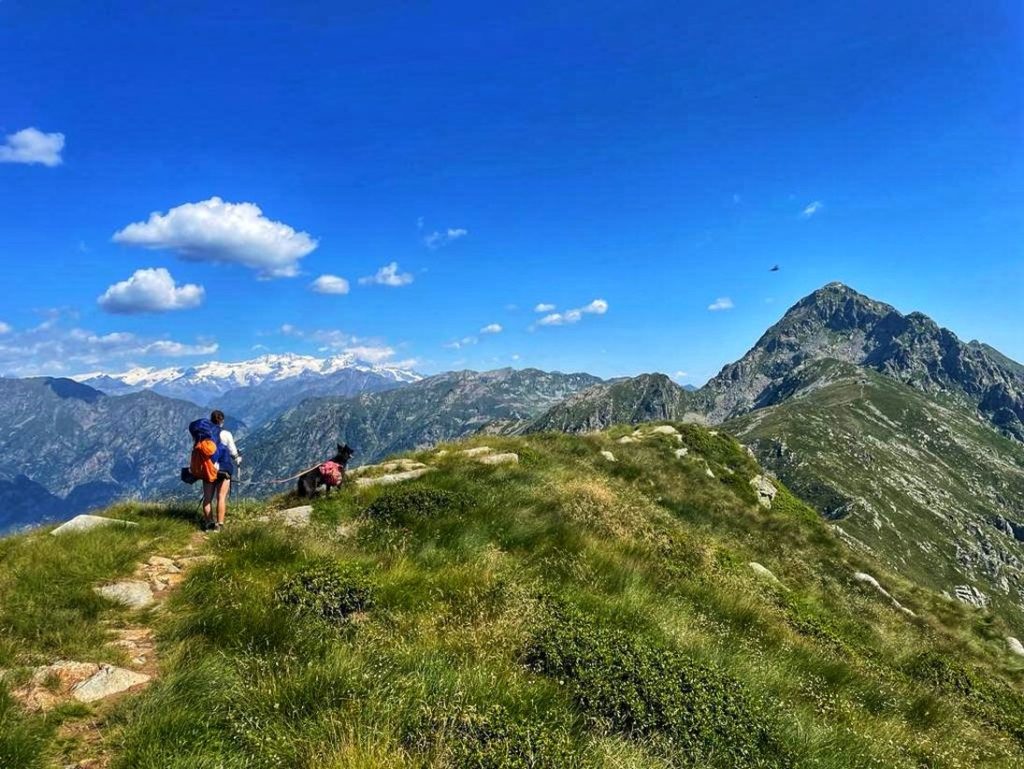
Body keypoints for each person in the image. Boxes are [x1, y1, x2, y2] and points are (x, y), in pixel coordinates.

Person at [202, 410, 241, 532]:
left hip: (209, 469)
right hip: (223, 469)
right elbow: (233, 452)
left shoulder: (204, 433)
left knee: (207, 498)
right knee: (221, 497)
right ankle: (219, 525)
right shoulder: (226, 434)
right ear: (222, 421)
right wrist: (238, 458)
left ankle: (209, 524)